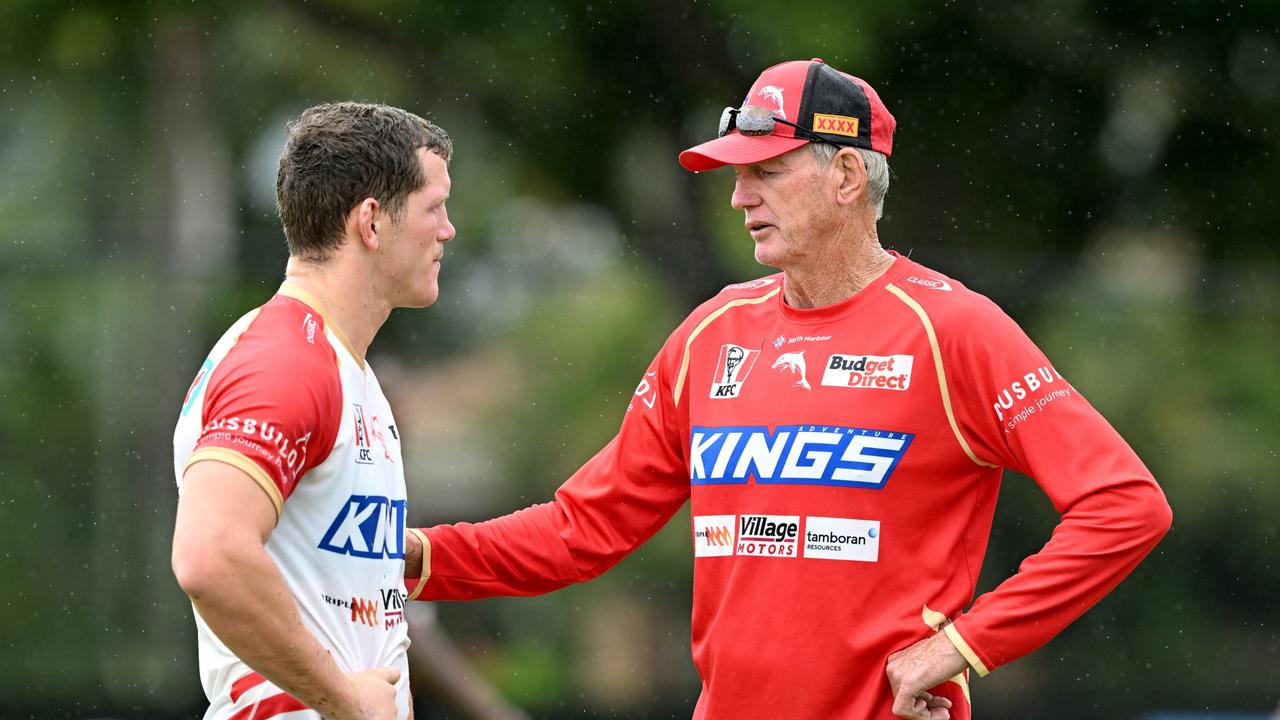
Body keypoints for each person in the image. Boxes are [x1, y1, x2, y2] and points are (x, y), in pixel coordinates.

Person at [402, 59, 1173, 720]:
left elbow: (1125, 505)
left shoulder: (954, 329)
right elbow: (583, 529)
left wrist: (964, 644)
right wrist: (411, 557)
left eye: (766, 171)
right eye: (738, 175)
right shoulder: (711, 333)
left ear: (844, 175)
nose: (740, 197)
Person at [171, 101, 456, 720]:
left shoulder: (340, 364)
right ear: (372, 223)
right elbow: (209, 555)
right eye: (434, 208)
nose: (448, 230)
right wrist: (344, 697)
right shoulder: (288, 361)